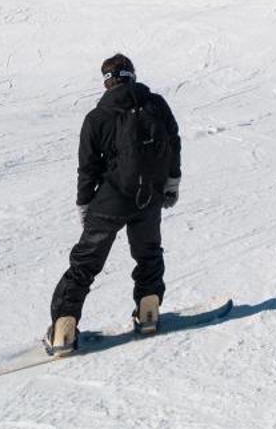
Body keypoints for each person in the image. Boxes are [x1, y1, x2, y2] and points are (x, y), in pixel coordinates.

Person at [46, 54, 182, 355]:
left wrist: (84, 204)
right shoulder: (156, 104)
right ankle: (149, 311)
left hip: (110, 201)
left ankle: (63, 330)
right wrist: (171, 182)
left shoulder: (97, 117)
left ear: (107, 82)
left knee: (85, 265)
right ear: (132, 76)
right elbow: (173, 142)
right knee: (148, 254)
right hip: (148, 198)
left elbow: (88, 168)